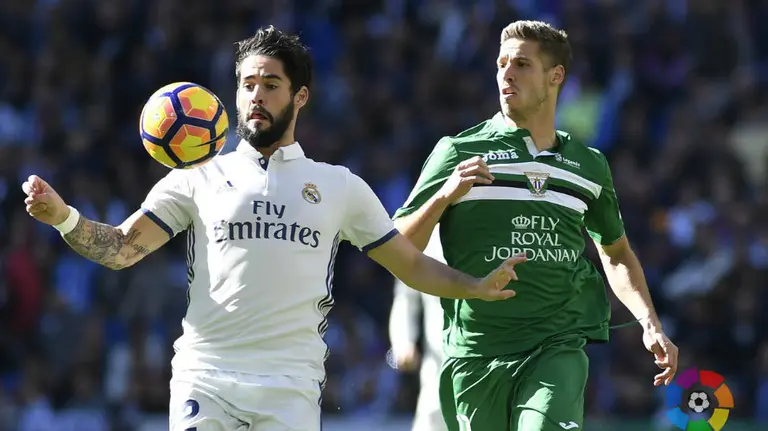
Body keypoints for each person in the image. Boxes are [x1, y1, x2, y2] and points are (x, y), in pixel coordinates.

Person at [21, 26, 526, 431]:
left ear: (300, 96)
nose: (256, 96)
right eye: (247, 85)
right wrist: (64, 217)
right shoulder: (197, 176)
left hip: (291, 385)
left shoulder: (338, 186)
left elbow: (410, 265)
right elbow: (123, 249)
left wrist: (474, 288)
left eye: (270, 84)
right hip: (206, 376)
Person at [393, 20, 679, 431]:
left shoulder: (588, 165)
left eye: (522, 64)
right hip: (477, 352)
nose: (506, 74)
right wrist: (443, 196)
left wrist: (650, 322)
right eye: (501, 63)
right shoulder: (458, 152)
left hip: (557, 344)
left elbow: (615, 254)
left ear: (555, 75)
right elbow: (396, 247)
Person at [389, 227, 448, 431]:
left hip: (491, 357)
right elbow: (405, 296)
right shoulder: (426, 234)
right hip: (437, 362)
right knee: (432, 418)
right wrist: (403, 341)